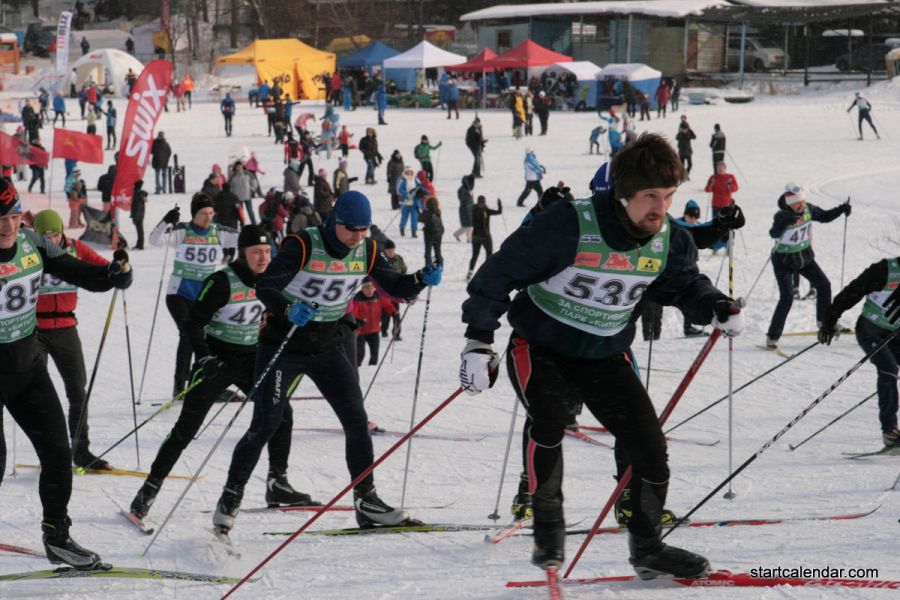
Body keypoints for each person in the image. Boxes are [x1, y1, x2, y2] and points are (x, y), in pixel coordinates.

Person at [459, 132, 742, 578]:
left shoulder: (668, 237)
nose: (661, 208)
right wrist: (478, 340)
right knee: (549, 420)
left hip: (606, 352)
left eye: (668, 196)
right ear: (624, 193)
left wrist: (715, 306)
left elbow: (683, 285)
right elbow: (498, 274)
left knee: (650, 449)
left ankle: (648, 549)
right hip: (541, 346)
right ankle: (548, 530)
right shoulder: (568, 224)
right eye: (651, 196)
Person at [211, 191, 443, 535]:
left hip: (327, 345)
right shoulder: (303, 244)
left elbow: (393, 285)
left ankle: (367, 501)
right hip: (284, 344)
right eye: (352, 229)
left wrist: (419, 279)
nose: (358, 237)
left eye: (364, 230)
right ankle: (230, 499)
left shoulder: (367, 249)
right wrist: (288, 309)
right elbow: (266, 287)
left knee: (356, 420)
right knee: (265, 424)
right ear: (336, 222)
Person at [130, 225, 318, 519]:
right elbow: (192, 323)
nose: (263, 258)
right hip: (218, 360)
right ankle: (150, 487)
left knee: (283, 414)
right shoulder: (222, 281)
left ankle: (277, 483)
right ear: (242, 253)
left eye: (267, 252)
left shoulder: (275, 281)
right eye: (256, 252)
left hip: (253, 359)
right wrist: (204, 357)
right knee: (186, 428)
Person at [0, 179, 131, 568]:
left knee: (59, 453)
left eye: (10, 217)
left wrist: (112, 275)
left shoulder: (35, 243)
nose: (6, 226)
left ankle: (57, 536)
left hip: (27, 369)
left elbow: (78, 271)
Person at [32, 209, 112, 470]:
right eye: (45, 236)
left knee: (77, 390)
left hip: (66, 326)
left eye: (54, 234)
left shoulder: (76, 249)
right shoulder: (30, 251)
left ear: (62, 232)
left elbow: (102, 269)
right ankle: (50, 454)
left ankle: (81, 451)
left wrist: (120, 268)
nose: (51, 240)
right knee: (38, 395)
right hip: (35, 329)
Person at [148, 194, 239, 395]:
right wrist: (166, 221)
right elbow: (154, 240)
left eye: (210, 213)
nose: (208, 218)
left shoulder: (219, 232)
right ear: (194, 214)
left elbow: (245, 238)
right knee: (188, 336)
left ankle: (207, 383)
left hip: (204, 297)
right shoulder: (182, 231)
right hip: (179, 294)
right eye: (203, 213)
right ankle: (180, 387)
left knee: (211, 339)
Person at [819, 257, 900, 448]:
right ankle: (890, 431)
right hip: (870, 329)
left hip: (896, 333)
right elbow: (853, 292)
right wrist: (830, 319)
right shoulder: (884, 270)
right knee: (888, 369)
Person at [765, 183, 850, 350]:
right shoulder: (781, 215)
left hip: (804, 258)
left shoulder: (808, 210)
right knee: (787, 298)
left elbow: (825, 216)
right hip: (784, 261)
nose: (802, 205)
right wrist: (785, 223)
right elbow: (773, 233)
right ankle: (772, 336)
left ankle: (823, 322)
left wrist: (841, 209)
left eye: (803, 201)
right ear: (789, 203)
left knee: (824, 285)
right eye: (798, 203)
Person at [352, 278, 396, 366]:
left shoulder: (379, 296)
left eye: (372, 287)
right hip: (360, 332)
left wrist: (394, 313)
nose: (370, 290)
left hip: (374, 331)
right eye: (367, 287)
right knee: (360, 355)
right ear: (362, 289)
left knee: (374, 355)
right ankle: (356, 369)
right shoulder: (357, 299)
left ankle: (372, 369)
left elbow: (388, 305)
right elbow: (353, 313)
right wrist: (358, 320)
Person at [466, 195, 502, 281]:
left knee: (475, 255)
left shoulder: (473, 209)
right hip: (486, 236)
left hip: (475, 236)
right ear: (484, 202)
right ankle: (487, 273)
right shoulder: (487, 210)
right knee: (489, 254)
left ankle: (469, 273)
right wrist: (499, 203)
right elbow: (499, 212)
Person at [381, 240, 405, 340]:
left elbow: (403, 270)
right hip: (384, 292)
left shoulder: (399, 259)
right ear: (385, 251)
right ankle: (383, 329)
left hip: (396, 291)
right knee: (386, 313)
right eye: (389, 250)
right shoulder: (381, 260)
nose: (391, 252)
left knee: (396, 313)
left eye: (392, 250)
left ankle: (396, 334)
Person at [421, 196, 444, 267]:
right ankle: (440, 266)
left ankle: (428, 267)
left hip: (429, 235)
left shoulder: (426, 213)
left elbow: (419, 218)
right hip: (439, 233)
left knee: (428, 252)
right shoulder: (438, 211)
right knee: (438, 251)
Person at [397, 166, 419, 238]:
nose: (409, 173)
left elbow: (420, 187)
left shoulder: (415, 179)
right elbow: (399, 189)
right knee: (404, 217)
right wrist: (406, 194)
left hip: (414, 203)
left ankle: (414, 231)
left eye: (411, 172)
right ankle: (402, 228)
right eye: (408, 172)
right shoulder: (403, 180)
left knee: (414, 218)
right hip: (405, 202)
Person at [454, 175, 475, 243]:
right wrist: (468, 194)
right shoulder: (461, 190)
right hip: (464, 209)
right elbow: (462, 199)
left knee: (469, 225)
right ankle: (468, 238)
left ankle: (458, 235)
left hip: (470, 209)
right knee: (467, 225)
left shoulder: (469, 190)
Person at [130, 180, 148, 249]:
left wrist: (135, 216)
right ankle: (140, 244)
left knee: (139, 230)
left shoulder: (137, 194)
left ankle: (140, 245)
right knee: (140, 230)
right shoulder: (142, 194)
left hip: (138, 215)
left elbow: (136, 206)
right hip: (141, 214)